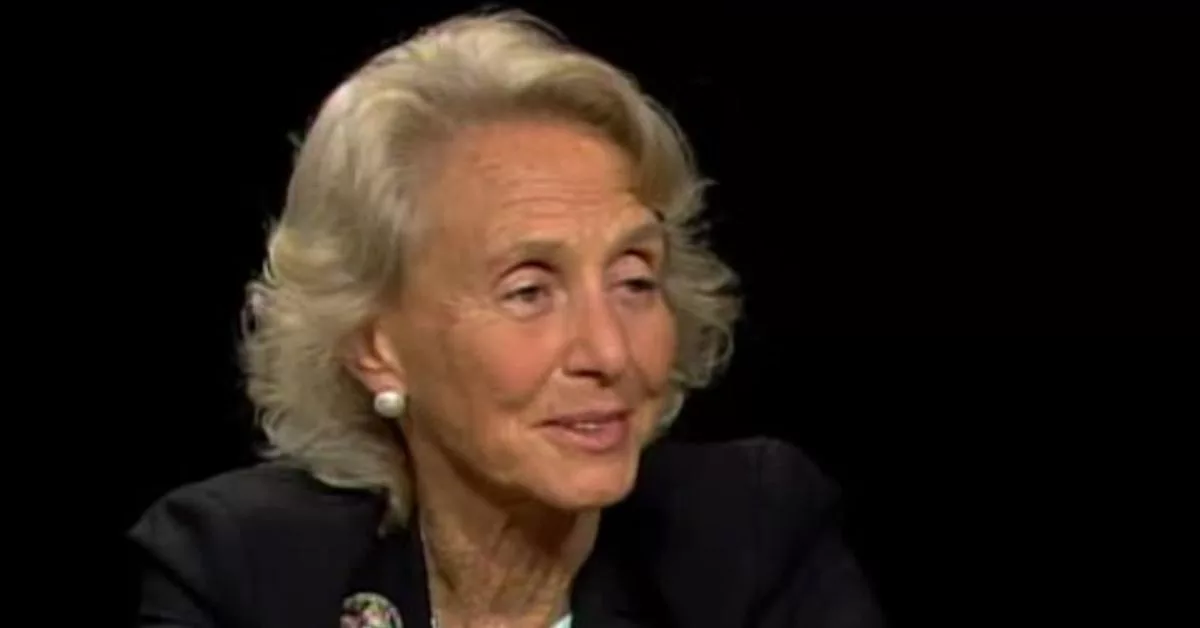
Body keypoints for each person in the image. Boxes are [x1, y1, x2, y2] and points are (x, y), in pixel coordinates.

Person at [128, 9, 885, 628]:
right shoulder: (240, 571)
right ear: (376, 346)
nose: (609, 352)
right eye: (529, 291)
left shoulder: (749, 539)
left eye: (633, 280)